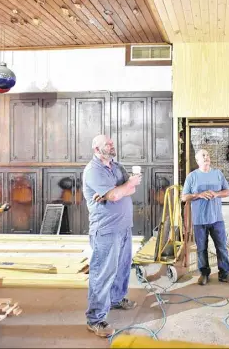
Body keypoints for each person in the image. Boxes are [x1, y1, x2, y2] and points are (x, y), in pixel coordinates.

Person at [82, 134, 142, 337]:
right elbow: (117, 194)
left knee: (122, 267)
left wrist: (119, 190)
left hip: (124, 227)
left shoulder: (116, 166)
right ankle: (95, 319)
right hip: (106, 230)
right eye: (107, 144)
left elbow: (128, 191)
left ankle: (116, 299)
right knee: (102, 273)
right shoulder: (93, 171)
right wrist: (119, 190)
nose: (112, 145)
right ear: (97, 149)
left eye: (112, 143)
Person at [182, 149, 229, 286]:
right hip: (199, 220)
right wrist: (198, 195)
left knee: (222, 247)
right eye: (203, 155)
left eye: (207, 155)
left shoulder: (218, 174)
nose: (206, 157)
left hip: (217, 218)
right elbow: (184, 197)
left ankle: (225, 274)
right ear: (197, 160)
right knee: (201, 248)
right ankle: (204, 273)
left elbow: (227, 192)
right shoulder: (192, 177)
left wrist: (216, 194)